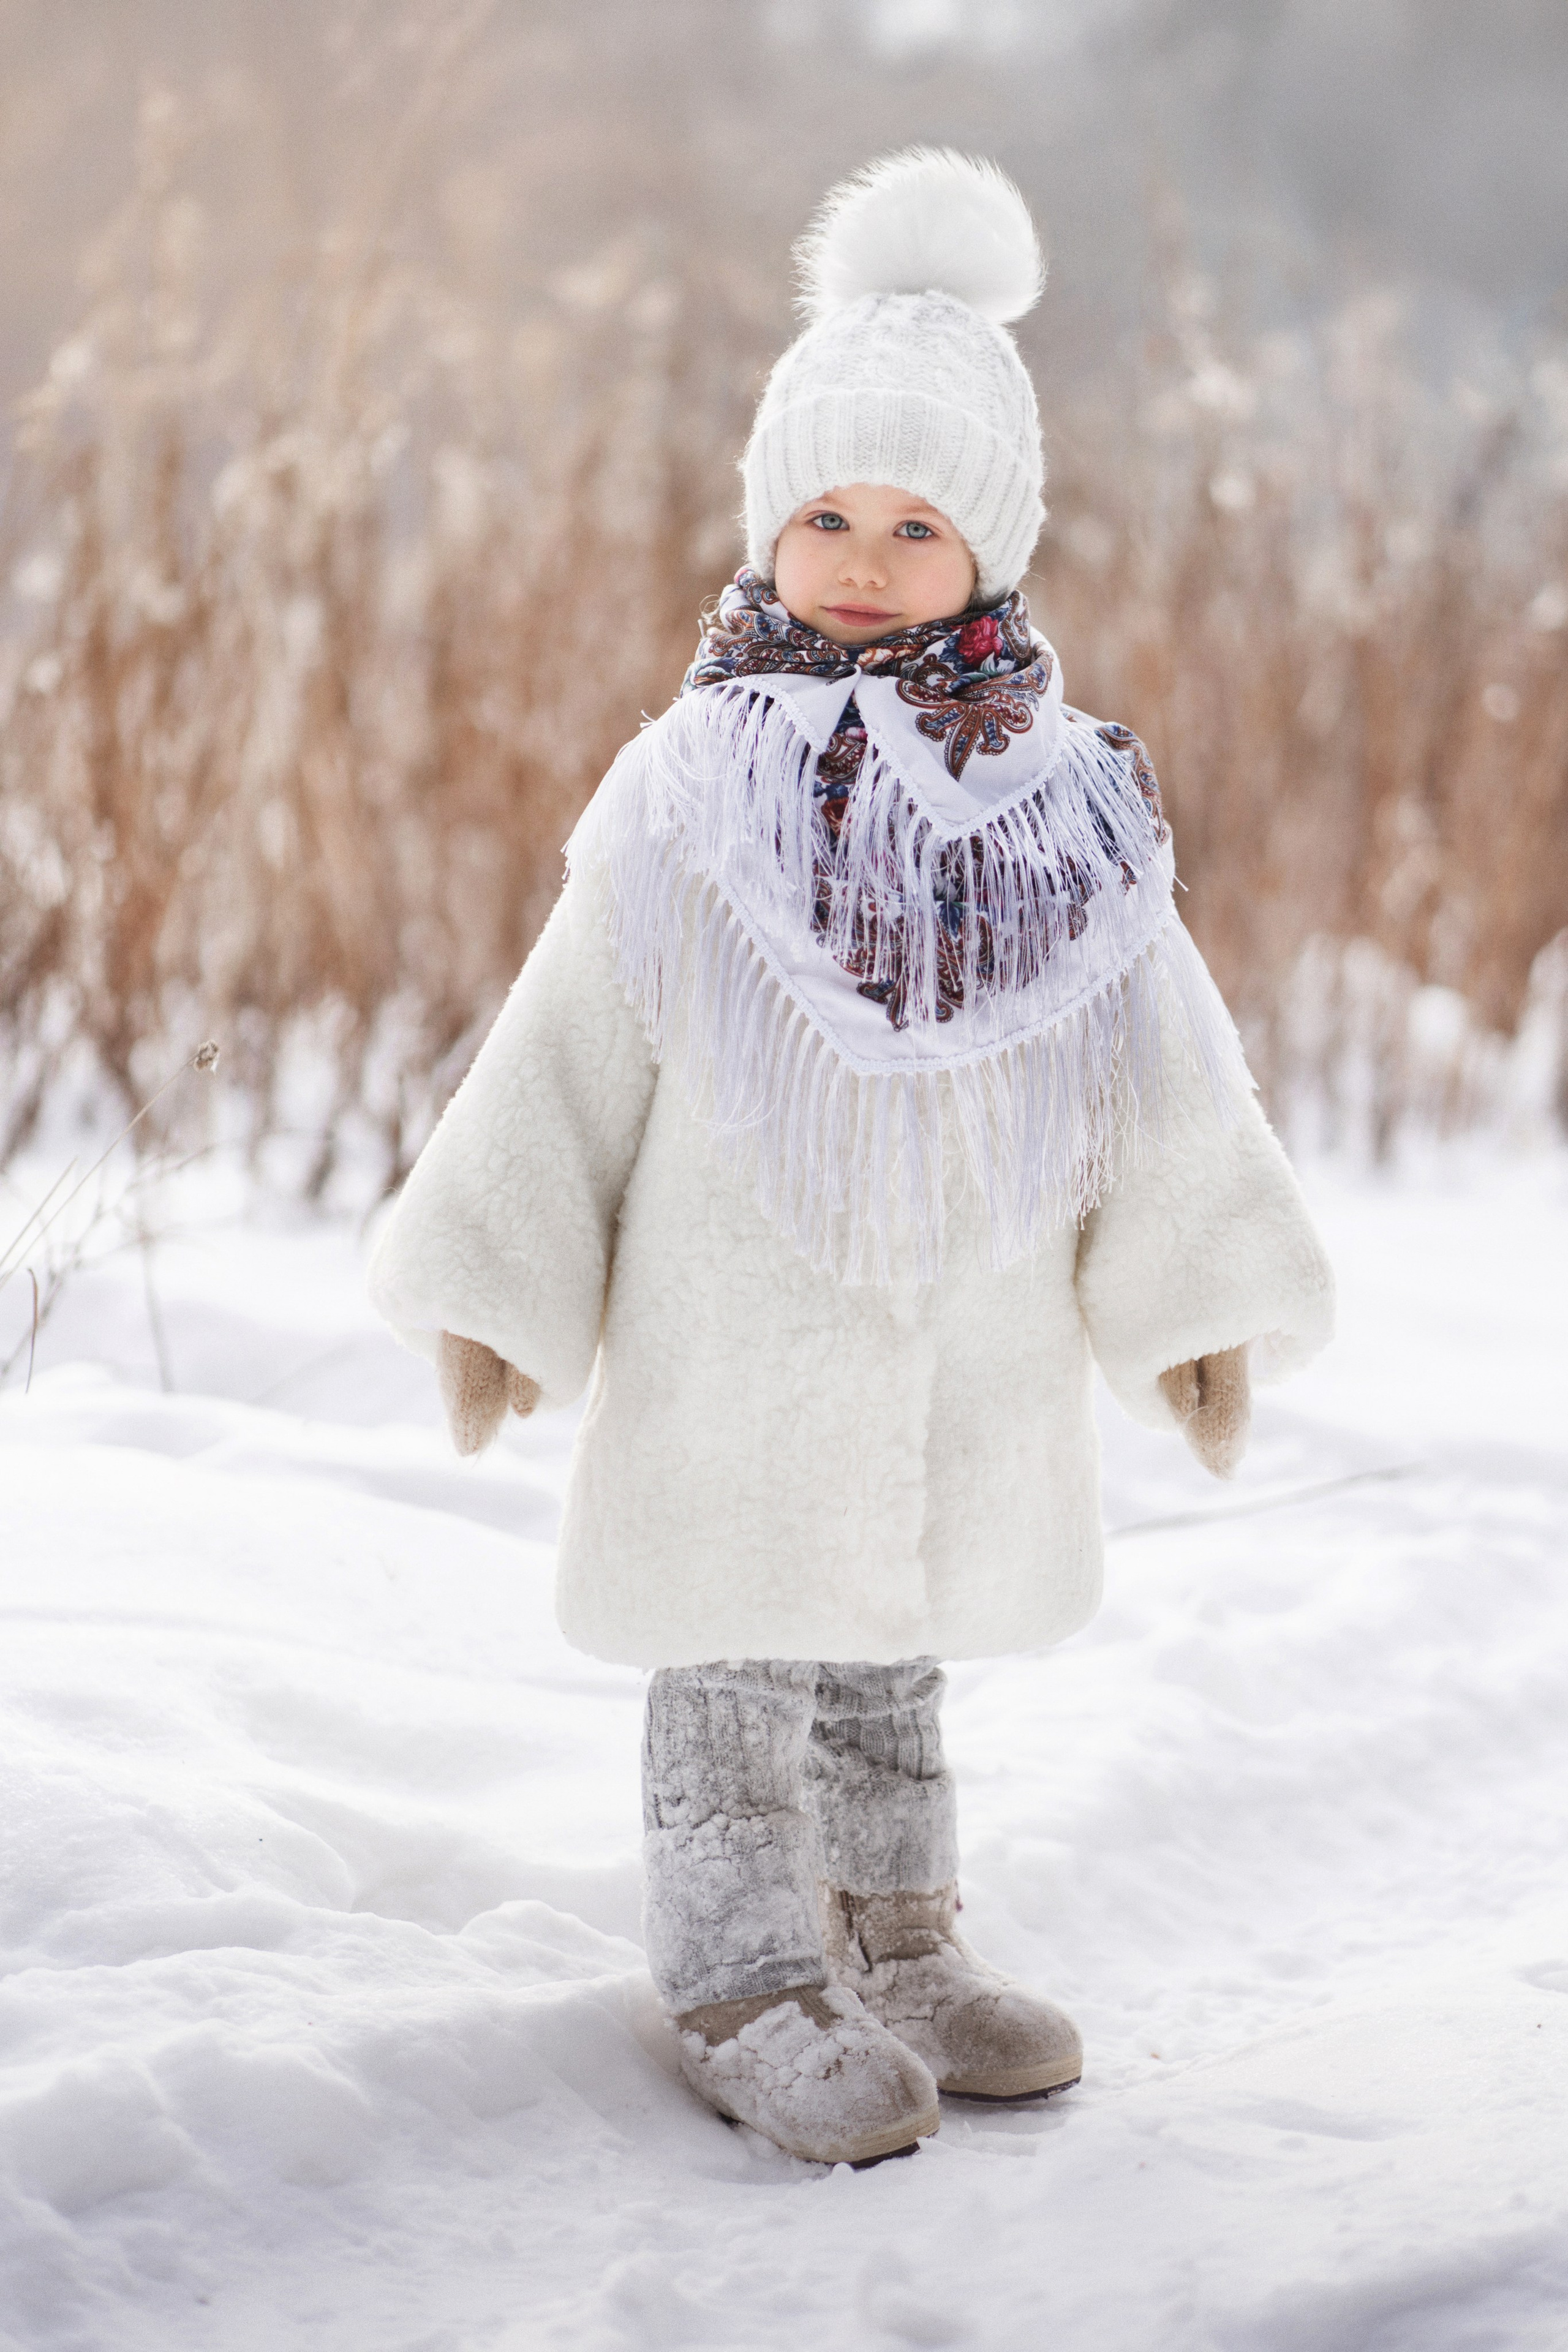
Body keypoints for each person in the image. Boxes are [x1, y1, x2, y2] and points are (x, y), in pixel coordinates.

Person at [369, 149, 1334, 2168]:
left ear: (992, 548)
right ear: (768, 525)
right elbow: (570, 1038)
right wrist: (497, 1276)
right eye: (826, 516)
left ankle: (899, 1945)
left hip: (967, 1308)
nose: (865, 561)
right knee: (735, 1654)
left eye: (916, 524)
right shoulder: (687, 787)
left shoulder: (1070, 808)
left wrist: (1199, 1293)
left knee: (894, 1656)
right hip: (737, 1316)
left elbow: (1160, 1058)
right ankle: (739, 1971)